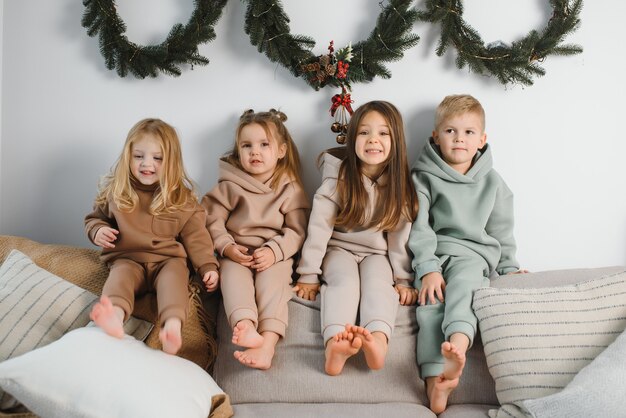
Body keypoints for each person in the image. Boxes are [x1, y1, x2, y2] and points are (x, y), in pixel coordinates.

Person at [409, 94, 527, 414]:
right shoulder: (422, 177)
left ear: (482, 139)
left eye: (469, 132)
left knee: (463, 290)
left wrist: (508, 267)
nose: (459, 138)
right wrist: (428, 268)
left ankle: (457, 346)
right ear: (436, 136)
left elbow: (502, 230)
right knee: (429, 306)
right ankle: (436, 381)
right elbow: (418, 229)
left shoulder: (493, 182)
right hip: (434, 256)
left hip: (472, 257)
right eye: (450, 131)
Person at [294, 100, 418, 376]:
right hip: (339, 250)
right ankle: (334, 346)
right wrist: (308, 274)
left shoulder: (400, 185)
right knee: (344, 283)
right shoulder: (338, 178)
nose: (373, 140)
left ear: (396, 140)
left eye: (383, 133)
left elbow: (399, 239)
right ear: (353, 138)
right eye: (364, 132)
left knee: (378, 285)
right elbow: (319, 229)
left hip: (377, 254)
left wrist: (403, 280)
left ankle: (379, 342)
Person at [85, 118, 219, 355]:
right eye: (139, 156)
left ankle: (172, 327)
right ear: (128, 157)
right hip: (128, 258)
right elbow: (95, 219)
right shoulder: (117, 191)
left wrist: (207, 266)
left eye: (157, 158)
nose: (147, 164)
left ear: (171, 163)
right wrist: (98, 231)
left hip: (167, 260)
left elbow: (197, 237)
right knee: (120, 278)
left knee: (174, 281)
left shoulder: (181, 199)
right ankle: (114, 316)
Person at [201, 109, 309, 370]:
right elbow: (210, 220)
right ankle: (245, 326)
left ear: (281, 150)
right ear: (239, 151)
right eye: (247, 146)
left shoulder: (289, 187)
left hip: (273, 255)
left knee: (274, 283)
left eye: (264, 144)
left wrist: (275, 251)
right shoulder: (229, 185)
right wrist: (227, 247)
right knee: (233, 278)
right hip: (237, 252)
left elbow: (298, 230)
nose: (255, 152)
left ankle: (267, 344)